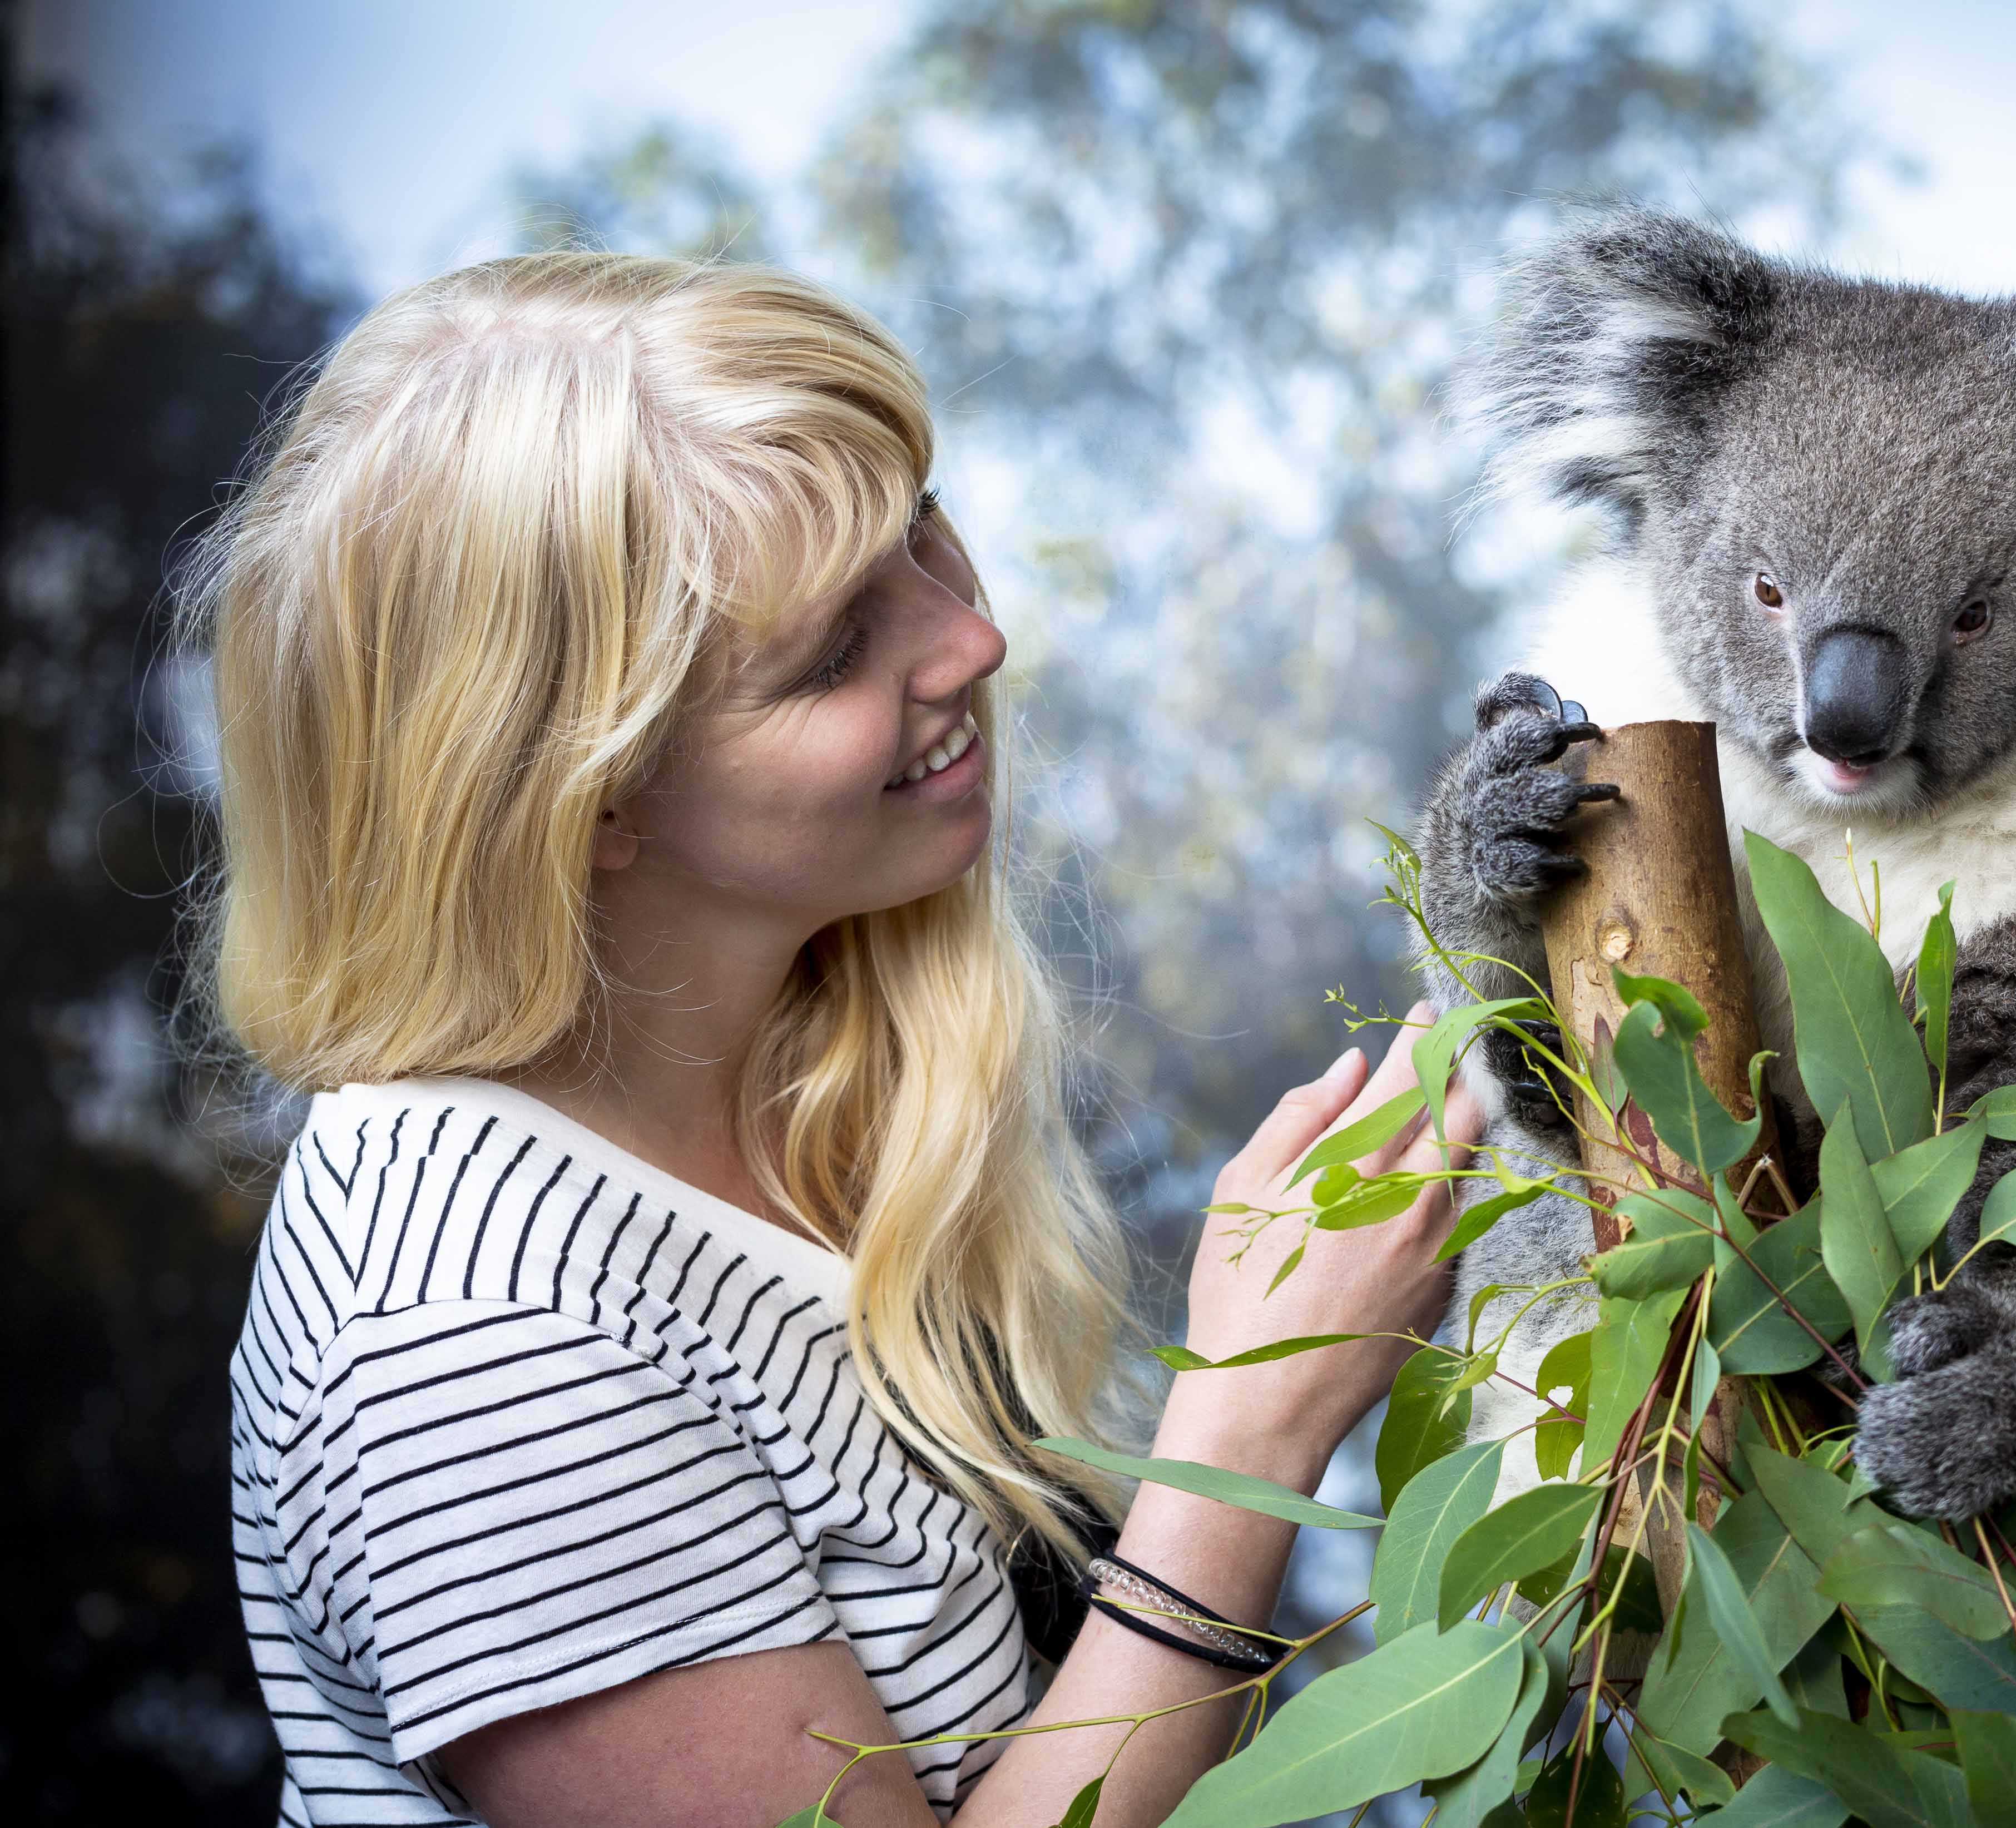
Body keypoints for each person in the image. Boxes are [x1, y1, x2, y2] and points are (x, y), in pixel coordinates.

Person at [197, 253, 1484, 1827]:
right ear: (583, 799)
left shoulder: (809, 1038)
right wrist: (1259, 1410)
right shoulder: (472, 1351)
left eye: (925, 528)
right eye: (828, 652)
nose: (968, 643)